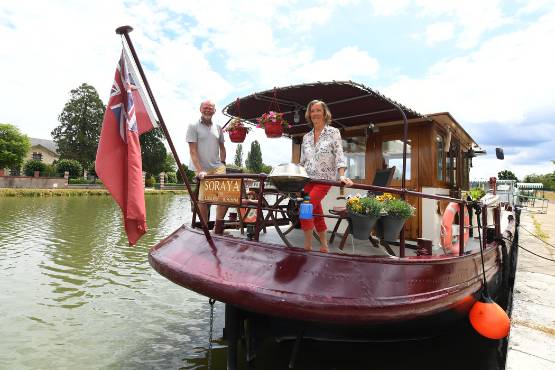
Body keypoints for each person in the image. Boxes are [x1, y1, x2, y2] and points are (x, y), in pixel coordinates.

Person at [300, 99, 353, 252]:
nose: (315, 113)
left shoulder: (333, 132)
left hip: (324, 180)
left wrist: (342, 175)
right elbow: (303, 162)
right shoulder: (306, 137)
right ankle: (324, 246)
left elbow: (339, 156)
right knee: (316, 213)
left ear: (324, 113)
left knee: (306, 209)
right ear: (309, 114)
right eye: (312, 111)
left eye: (318, 110)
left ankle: (307, 247)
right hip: (308, 180)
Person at [186, 100, 227, 234]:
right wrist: (200, 171)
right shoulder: (193, 125)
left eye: (210, 108)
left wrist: (223, 163)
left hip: (217, 167)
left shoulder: (218, 127)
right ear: (200, 109)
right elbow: (192, 151)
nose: (208, 110)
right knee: (203, 198)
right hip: (201, 167)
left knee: (225, 195)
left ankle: (217, 227)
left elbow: (222, 147)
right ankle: (205, 228)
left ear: (214, 111)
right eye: (205, 107)